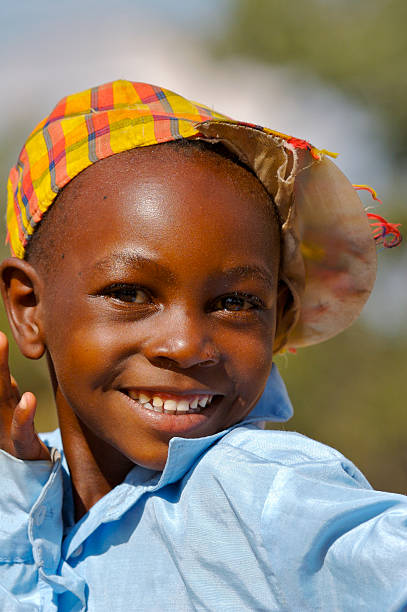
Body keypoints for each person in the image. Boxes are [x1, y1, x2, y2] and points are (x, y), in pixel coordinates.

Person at [0, 80, 404, 611]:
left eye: (235, 302)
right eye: (130, 293)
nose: (187, 344)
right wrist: (21, 479)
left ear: (278, 316)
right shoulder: (25, 483)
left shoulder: (256, 492)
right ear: (30, 308)